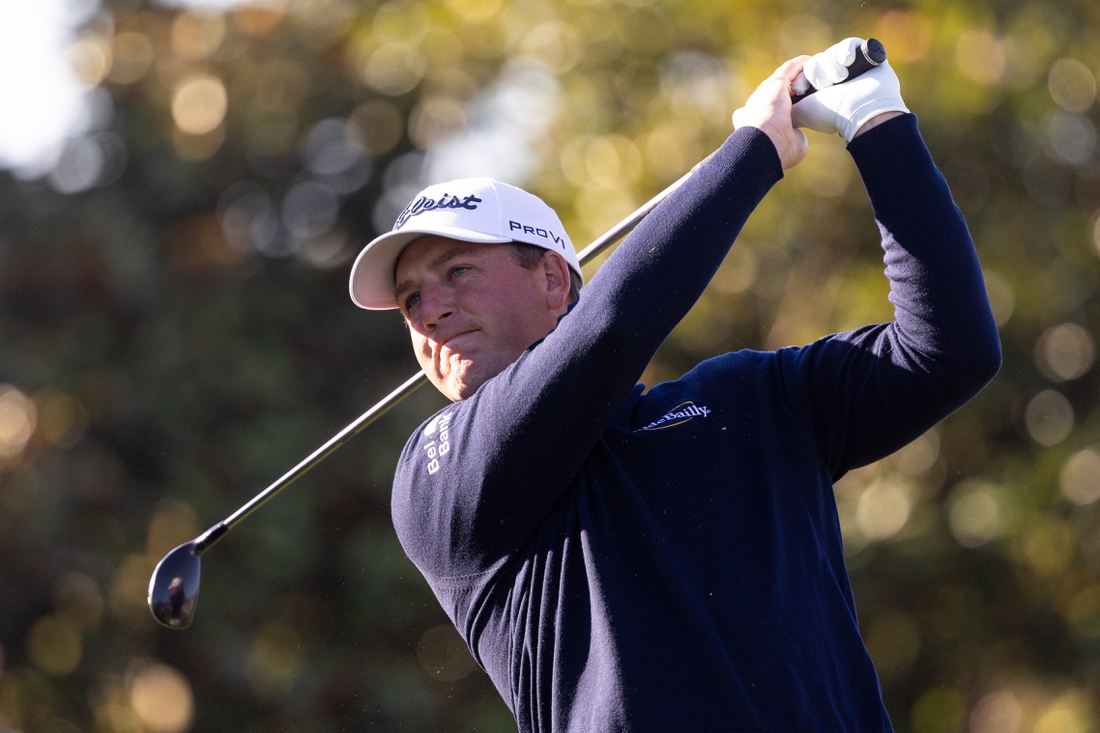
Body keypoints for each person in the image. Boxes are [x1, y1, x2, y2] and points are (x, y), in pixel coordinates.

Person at [347, 39, 1001, 733]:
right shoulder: (434, 474)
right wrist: (754, 152)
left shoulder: (753, 398)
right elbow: (610, 333)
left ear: (550, 278)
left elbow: (950, 349)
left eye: (456, 273)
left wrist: (878, 123)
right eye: (411, 299)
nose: (431, 310)